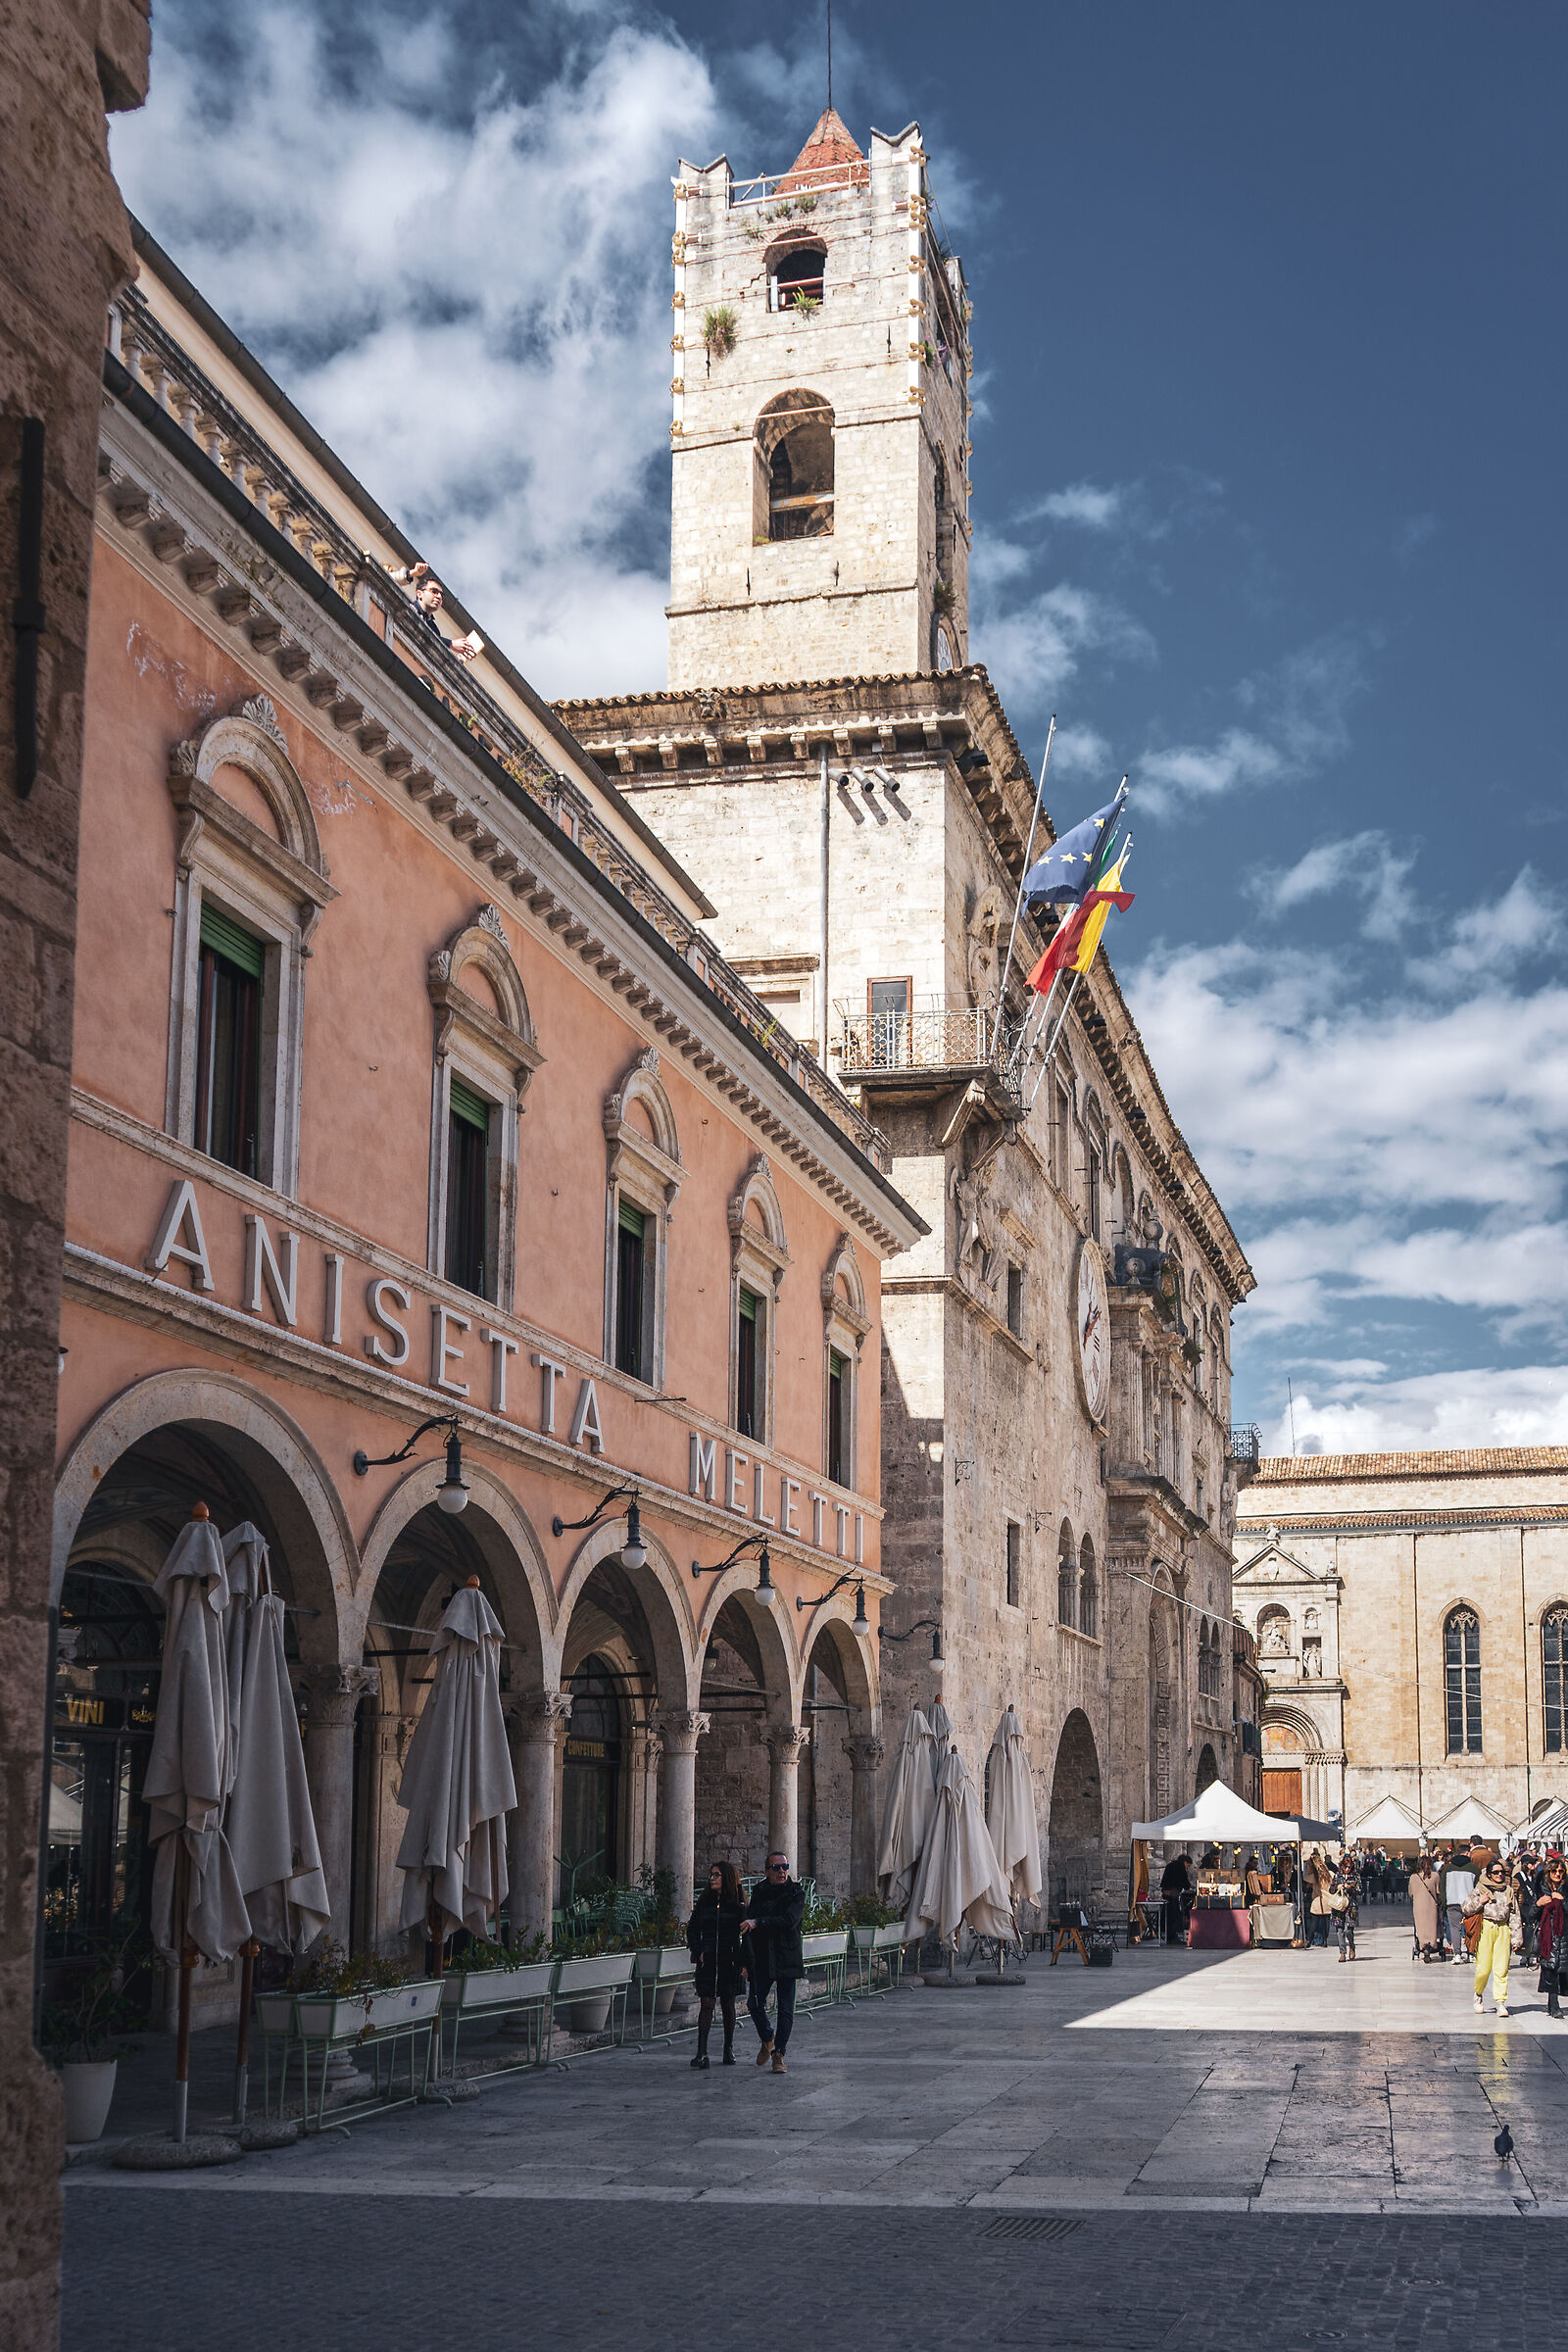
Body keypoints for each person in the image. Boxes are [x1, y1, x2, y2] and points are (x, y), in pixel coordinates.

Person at [741, 1851, 806, 2074]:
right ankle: (768, 2038)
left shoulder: (796, 1892)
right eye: (776, 1868)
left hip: (787, 1955)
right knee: (754, 2004)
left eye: (785, 1866)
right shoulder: (759, 1892)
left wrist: (759, 1922)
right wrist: (745, 1961)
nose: (782, 1871)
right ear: (767, 1871)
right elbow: (748, 1928)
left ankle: (779, 2054)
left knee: (786, 2009)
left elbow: (789, 1921)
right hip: (762, 1957)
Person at [687, 1860, 746, 2070]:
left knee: (728, 2004)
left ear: (727, 1878)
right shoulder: (704, 1904)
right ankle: (702, 2052)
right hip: (708, 1960)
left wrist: (742, 1962)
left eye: (717, 1875)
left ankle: (728, 2048)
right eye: (711, 1874)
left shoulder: (738, 1905)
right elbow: (692, 1929)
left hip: (729, 1961)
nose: (712, 1878)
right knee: (707, 2003)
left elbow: (746, 1935)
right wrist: (698, 1950)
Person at [1464, 1859, 1521, 2021]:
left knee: (1502, 1967)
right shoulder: (1480, 1889)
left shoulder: (1508, 1891)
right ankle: (1478, 1993)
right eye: (1496, 1872)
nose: (1499, 1875)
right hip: (1486, 1927)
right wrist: (1479, 1901)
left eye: (1502, 1872)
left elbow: (1515, 1914)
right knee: (1483, 1968)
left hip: (1502, 1928)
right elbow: (1466, 1908)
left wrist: (1516, 1938)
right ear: (1488, 1874)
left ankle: (1501, 2002)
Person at [1537, 1851, 1568, 2022]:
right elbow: (1532, 1913)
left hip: (1564, 1935)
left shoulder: (1566, 1890)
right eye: (1554, 1871)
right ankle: (1554, 2003)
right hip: (1547, 1937)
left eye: (1561, 1871)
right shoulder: (1541, 1889)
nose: (1557, 1874)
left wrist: (1562, 1900)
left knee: (1561, 1969)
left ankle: (1553, 2001)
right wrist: (1538, 1903)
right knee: (1550, 1969)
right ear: (1548, 1872)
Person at [1445, 1847, 1477, 1964]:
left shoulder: (1448, 1869)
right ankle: (1471, 1953)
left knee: (1455, 1929)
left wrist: (1444, 1903)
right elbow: (1478, 1886)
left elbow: (1443, 1887)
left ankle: (1457, 1954)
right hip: (1469, 1902)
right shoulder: (1473, 1868)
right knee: (1471, 1928)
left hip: (1452, 1901)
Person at [1411, 1854, 1445, 1962]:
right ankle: (1431, 1944)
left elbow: (1411, 1893)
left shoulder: (1413, 1877)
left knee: (1421, 1926)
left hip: (1418, 1906)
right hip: (1431, 1906)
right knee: (1432, 1926)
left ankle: (1422, 1945)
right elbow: (1438, 1891)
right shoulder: (1435, 1876)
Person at [1332, 1849, 1360, 1962]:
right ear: (1342, 1866)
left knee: (1349, 1930)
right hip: (1338, 1907)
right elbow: (1331, 1889)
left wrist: (1351, 1888)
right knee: (1339, 1930)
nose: (1347, 1869)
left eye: (1349, 1867)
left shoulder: (1355, 1876)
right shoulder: (1337, 1876)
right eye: (1345, 1867)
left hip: (1350, 1907)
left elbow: (1360, 1890)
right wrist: (1337, 1887)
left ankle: (1352, 1947)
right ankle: (1342, 1953)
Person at [1159, 1851, 1193, 1945]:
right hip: (1172, 1895)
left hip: (1166, 1893)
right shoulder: (1180, 1867)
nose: (1187, 1868)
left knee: (1168, 1916)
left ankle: (1169, 1935)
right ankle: (1172, 1936)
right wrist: (1189, 1886)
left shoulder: (1170, 1865)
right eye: (1188, 1865)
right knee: (1173, 1916)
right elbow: (1184, 1881)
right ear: (1185, 1862)